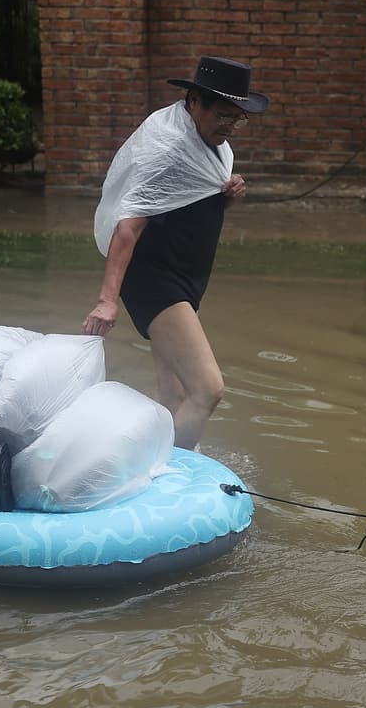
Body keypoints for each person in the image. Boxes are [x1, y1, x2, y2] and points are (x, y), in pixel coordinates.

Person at [81, 56, 270, 450]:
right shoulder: (166, 148)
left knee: (175, 398)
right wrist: (106, 301)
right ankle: (165, 474)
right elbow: (129, 225)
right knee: (208, 390)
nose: (230, 126)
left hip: (184, 279)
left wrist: (226, 195)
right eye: (223, 115)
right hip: (156, 282)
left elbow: (186, 204)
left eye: (237, 118)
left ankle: (152, 461)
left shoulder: (208, 147)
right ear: (194, 101)